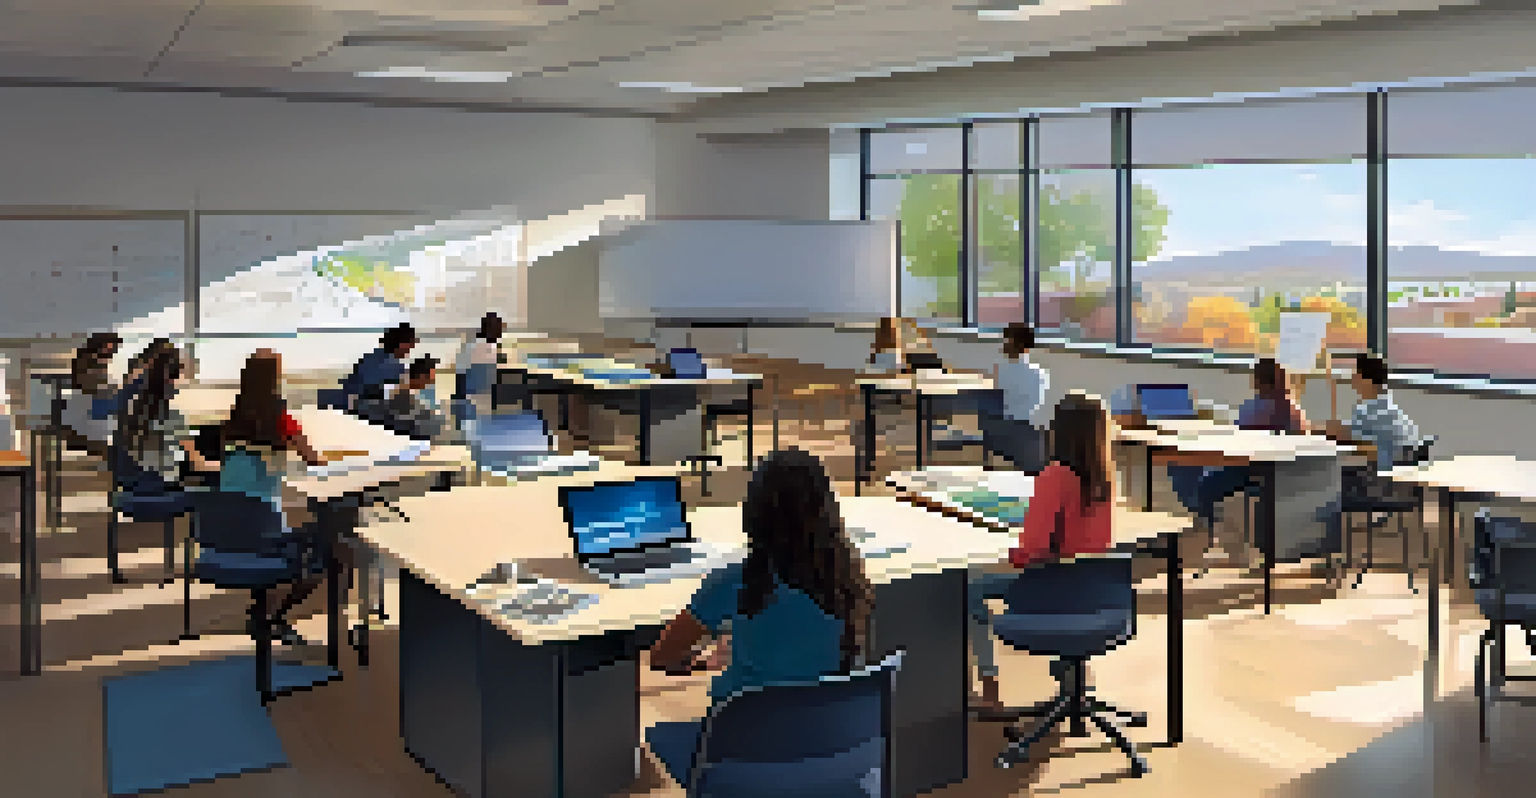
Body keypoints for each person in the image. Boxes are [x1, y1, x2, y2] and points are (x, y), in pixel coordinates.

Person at [648, 447, 876, 705]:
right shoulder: (849, 577)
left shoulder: (734, 580)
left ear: (753, 511)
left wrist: (703, 658)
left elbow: (662, 656)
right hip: (828, 725)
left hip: (745, 726)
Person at [968, 392, 1116, 714]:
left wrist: (1004, 555)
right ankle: (1073, 679)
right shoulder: (1105, 478)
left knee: (968, 588)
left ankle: (989, 688)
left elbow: (1030, 551)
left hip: (1051, 591)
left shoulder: (1055, 476)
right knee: (1067, 585)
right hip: (1094, 592)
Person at [218, 349, 332, 646]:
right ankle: (275, 617)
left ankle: (262, 612)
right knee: (326, 554)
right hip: (263, 518)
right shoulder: (280, 416)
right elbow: (313, 459)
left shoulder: (235, 414)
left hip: (224, 524)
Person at [1168, 358, 1309, 545]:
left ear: (1258, 381)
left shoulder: (1255, 408)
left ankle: (1206, 528)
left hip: (1253, 473)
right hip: (1285, 477)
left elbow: (1235, 443)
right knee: (1202, 472)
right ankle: (1209, 527)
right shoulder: (1296, 410)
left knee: (1191, 473)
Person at [114, 345, 215, 494]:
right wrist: (227, 467)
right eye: (184, 375)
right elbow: (198, 464)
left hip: (132, 490)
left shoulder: (132, 410)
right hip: (163, 490)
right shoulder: (173, 416)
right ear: (171, 379)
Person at [1326, 353, 1424, 473]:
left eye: (1355, 375)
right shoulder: (1392, 410)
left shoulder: (1368, 412)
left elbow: (1342, 435)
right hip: (1403, 474)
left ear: (1367, 381)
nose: (1352, 379)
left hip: (1379, 474)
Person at [355, 356, 459, 443]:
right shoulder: (397, 392)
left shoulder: (404, 391)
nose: (430, 384)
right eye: (429, 380)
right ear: (421, 377)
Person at [340, 323, 417, 410]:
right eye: (410, 344)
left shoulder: (369, 358)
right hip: (366, 408)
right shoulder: (395, 368)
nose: (411, 348)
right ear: (401, 343)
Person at [71, 331, 122, 397]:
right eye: (109, 345)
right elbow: (86, 386)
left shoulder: (101, 360)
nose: (112, 349)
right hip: (87, 397)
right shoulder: (86, 359)